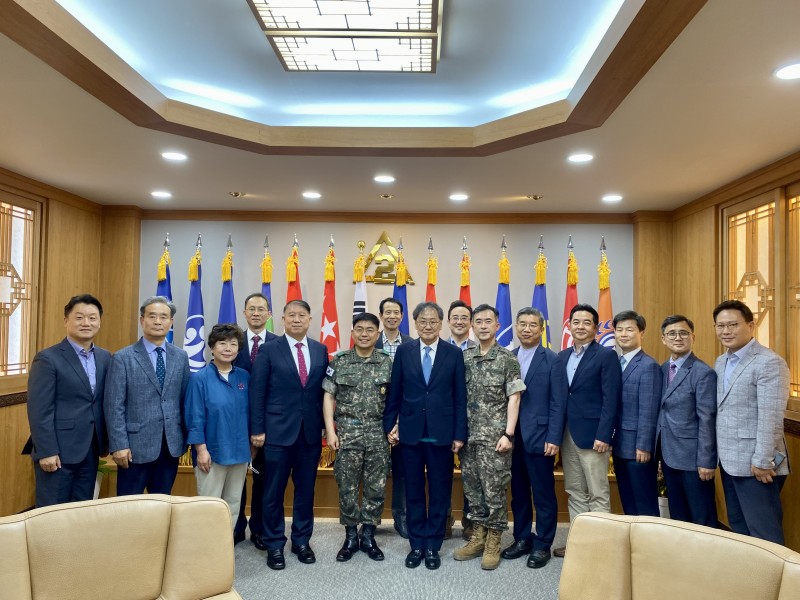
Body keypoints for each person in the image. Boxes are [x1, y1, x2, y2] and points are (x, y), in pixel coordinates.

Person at [384, 301, 467, 570]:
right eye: (422, 321)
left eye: (433, 321)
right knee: (414, 491)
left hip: (441, 434)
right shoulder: (405, 352)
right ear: (415, 323)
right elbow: (395, 393)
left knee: (440, 491)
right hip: (411, 433)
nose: (428, 326)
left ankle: (433, 545)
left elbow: (460, 398)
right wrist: (389, 426)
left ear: (441, 324)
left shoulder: (453, 354)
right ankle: (417, 544)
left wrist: (459, 434)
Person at [249, 300, 329, 570]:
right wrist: (257, 429)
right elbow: (257, 392)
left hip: (309, 435)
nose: (297, 319)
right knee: (273, 492)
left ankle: (302, 541)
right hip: (276, 434)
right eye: (291, 315)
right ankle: (274, 544)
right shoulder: (269, 350)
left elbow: (321, 393)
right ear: (282, 319)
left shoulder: (320, 349)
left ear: (309, 319)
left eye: (302, 315)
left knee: (306, 491)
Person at [453, 304, 525, 570]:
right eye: (478, 321)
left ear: (497, 326)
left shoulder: (507, 358)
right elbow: (457, 397)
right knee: (473, 491)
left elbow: (514, 398)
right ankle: (478, 536)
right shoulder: (464, 357)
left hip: (496, 440)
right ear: (472, 326)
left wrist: (508, 433)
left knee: (494, 491)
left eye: (488, 321)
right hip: (468, 439)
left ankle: (494, 539)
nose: (483, 325)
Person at [714, 300, 790, 544]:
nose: (726, 331)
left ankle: (774, 582)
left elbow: (772, 416)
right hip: (728, 460)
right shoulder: (721, 361)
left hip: (757, 465)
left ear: (751, 325)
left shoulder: (769, 362)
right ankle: (749, 580)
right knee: (739, 527)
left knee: (764, 533)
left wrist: (762, 460)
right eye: (720, 326)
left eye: (733, 325)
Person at [25, 294, 111, 507]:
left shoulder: (105, 357)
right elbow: (39, 409)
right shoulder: (48, 358)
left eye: (92, 318)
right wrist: (47, 451)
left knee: (81, 511)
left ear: (99, 322)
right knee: (51, 512)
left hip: (90, 449)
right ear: (66, 321)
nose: (86, 323)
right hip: (58, 452)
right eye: (79, 317)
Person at [551, 303, 621, 558]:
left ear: (595, 327)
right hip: (568, 435)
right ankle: (579, 545)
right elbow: (560, 398)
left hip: (594, 436)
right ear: (569, 326)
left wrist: (605, 435)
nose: (580, 327)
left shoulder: (606, 356)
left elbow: (611, 399)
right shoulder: (562, 357)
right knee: (575, 490)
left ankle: (600, 549)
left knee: (598, 492)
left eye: (586, 322)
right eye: (576, 322)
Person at [322, 312, 394, 562]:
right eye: (360, 329)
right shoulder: (340, 361)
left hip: (377, 435)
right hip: (347, 434)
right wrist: (330, 431)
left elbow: (395, 400)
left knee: (376, 487)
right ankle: (351, 535)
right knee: (347, 487)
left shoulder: (387, 362)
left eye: (370, 330)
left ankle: (369, 536)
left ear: (377, 333)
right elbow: (328, 396)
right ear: (352, 333)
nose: (364, 334)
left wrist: (394, 427)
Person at [104, 296, 190, 495]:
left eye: (163, 317)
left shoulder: (181, 356)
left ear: (171, 322)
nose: (158, 321)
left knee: (161, 504)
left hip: (170, 445)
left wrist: (184, 439)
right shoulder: (122, 358)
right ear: (142, 320)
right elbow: (114, 406)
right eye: (152, 316)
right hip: (134, 448)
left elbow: (184, 400)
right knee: (129, 506)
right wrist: (119, 445)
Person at [502, 307, 559, 569]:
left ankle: (543, 543)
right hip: (513, 439)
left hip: (541, 437)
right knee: (519, 493)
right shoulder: (507, 356)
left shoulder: (552, 359)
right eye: (522, 324)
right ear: (515, 326)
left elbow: (558, 403)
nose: (526, 329)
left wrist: (554, 437)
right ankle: (522, 538)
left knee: (543, 493)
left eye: (532, 325)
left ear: (541, 328)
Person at [185, 324, 250, 537]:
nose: (228, 348)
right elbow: (194, 418)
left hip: (239, 453)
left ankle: (223, 547)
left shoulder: (244, 378)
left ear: (239, 349)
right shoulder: (199, 378)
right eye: (222, 343)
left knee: (232, 504)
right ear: (212, 348)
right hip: (211, 454)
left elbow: (249, 415)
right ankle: (206, 550)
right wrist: (201, 450)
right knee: (210, 505)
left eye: (233, 344)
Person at [657, 314, 718, 527]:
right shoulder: (663, 368)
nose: (678, 337)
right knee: (678, 513)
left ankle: (706, 559)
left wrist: (706, 461)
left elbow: (707, 419)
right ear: (663, 339)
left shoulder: (703, 372)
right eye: (671, 333)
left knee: (701, 515)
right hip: (669, 454)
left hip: (693, 459)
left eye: (684, 333)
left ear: (693, 337)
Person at [232, 293, 277, 549]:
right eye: (252, 309)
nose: (257, 313)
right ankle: (236, 526)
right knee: (237, 478)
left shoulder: (280, 344)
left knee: (263, 479)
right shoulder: (231, 342)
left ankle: (259, 528)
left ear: (269, 314)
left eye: (262, 309)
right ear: (244, 313)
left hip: (268, 428)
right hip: (235, 426)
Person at [611, 310, 661, 516]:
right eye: (619, 329)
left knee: (644, 503)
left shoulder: (648, 366)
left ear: (641, 333)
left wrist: (644, 445)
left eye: (629, 329)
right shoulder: (616, 363)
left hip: (638, 449)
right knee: (628, 501)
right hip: (620, 445)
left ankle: (650, 547)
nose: (623, 334)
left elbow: (648, 410)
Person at [375, 297, 412, 538]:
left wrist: (398, 421)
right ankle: (371, 520)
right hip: (373, 416)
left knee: (402, 471)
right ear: (381, 315)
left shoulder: (411, 344)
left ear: (401, 316)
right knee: (373, 471)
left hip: (402, 418)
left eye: (396, 312)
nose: (391, 316)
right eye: (387, 312)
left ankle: (402, 517)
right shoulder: (368, 341)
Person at [446, 299, 476, 539]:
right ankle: (444, 518)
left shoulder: (479, 350)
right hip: (441, 422)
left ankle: (470, 521)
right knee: (441, 473)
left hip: (475, 424)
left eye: (464, 318)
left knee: (471, 475)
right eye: (455, 317)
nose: (459, 321)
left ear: (471, 322)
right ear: (448, 321)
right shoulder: (437, 348)